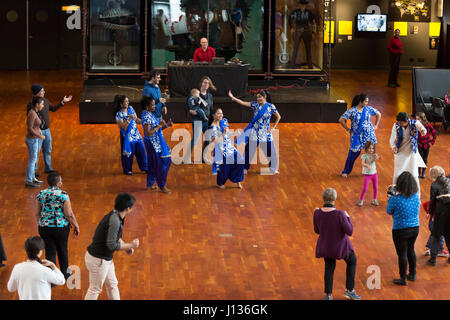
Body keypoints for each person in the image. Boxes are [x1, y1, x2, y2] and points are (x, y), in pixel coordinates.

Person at [84, 193, 140, 300]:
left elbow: (116, 237)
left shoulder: (116, 215)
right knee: (95, 289)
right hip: (99, 260)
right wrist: (131, 245)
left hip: (105, 259)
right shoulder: (115, 220)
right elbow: (111, 245)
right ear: (128, 209)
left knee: (112, 285)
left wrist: (126, 248)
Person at [313, 188, 360, 300]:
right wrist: (348, 217)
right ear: (334, 199)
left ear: (323, 198)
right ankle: (349, 290)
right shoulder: (340, 214)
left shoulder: (317, 213)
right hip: (340, 247)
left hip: (326, 246)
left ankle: (328, 295)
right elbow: (349, 231)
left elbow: (317, 231)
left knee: (329, 268)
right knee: (352, 260)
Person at [36, 171, 80, 279]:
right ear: (57, 183)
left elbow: (37, 213)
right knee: (62, 250)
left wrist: (41, 224)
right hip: (60, 228)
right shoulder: (63, 195)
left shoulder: (41, 194)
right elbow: (68, 214)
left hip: (45, 228)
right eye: (61, 180)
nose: (62, 182)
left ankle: (51, 276)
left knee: (50, 252)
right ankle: (65, 273)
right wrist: (76, 225)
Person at [228, 89, 281, 174]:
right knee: (249, 150)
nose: (258, 99)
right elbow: (242, 102)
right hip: (254, 131)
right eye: (257, 97)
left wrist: (273, 127)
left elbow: (278, 117)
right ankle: (245, 168)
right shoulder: (255, 105)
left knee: (270, 151)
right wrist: (233, 97)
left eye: (259, 97)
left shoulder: (271, 106)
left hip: (265, 133)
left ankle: (273, 169)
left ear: (265, 97)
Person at [27, 84, 72, 175]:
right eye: (42, 90)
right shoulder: (31, 104)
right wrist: (37, 132)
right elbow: (30, 119)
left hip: (47, 130)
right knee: (36, 151)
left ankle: (48, 168)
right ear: (37, 93)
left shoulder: (45, 101)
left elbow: (53, 109)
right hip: (38, 132)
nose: (44, 92)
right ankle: (34, 170)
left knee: (48, 150)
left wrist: (63, 102)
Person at [386, 171, 420, 285]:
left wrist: (390, 197)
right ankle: (413, 274)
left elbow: (388, 211)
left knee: (402, 254)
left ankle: (403, 278)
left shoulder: (395, 199)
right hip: (415, 228)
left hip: (400, 229)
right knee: (411, 249)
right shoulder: (416, 196)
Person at [339, 94, 381, 177]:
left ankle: (368, 170)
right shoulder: (352, 111)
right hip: (357, 136)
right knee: (353, 153)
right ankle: (346, 171)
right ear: (360, 102)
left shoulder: (368, 109)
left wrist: (376, 126)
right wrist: (347, 129)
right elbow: (341, 120)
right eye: (365, 101)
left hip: (369, 134)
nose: (367, 103)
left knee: (369, 153)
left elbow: (378, 114)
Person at [141, 97, 173, 194]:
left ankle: (150, 185)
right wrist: (159, 125)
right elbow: (148, 133)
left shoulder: (150, 114)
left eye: (154, 104)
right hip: (153, 144)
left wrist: (166, 125)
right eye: (152, 104)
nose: (154, 106)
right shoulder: (146, 116)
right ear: (147, 106)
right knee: (162, 163)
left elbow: (156, 130)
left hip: (155, 142)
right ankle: (162, 185)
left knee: (152, 164)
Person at [390, 112, 427, 190]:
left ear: (406, 121)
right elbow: (392, 138)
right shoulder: (396, 125)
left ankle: (416, 193)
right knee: (397, 172)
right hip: (400, 150)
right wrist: (393, 146)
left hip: (411, 151)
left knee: (413, 173)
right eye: (398, 122)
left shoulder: (415, 123)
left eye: (401, 123)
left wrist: (423, 131)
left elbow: (423, 129)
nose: (399, 124)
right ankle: (395, 191)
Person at [209, 108, 245, 189]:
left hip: (230, 147)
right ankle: (220, 183)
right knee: (224, 168)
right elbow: (217, 141)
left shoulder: (224, 121)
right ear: (213, 115)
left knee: (240, 160)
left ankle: (238, 180)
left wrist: (235, 133)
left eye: (221, 113)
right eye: (218, 113)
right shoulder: (213, 127)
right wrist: (223, 133)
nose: (220, 115)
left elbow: (228, 133)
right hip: (221, 150)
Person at [114, 95, 148, 175]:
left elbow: (136, 119)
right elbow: (121, 126)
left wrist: (143, 121)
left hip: (136, 135)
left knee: (141, 151)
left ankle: (145, 168)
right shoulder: (119, 114)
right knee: (128, 154)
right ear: (121, 104)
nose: (128, 102)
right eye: (126, 101)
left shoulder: (131, 108)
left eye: (128, 101)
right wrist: (129, 119)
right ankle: (127, 170)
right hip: (127, 137)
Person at [184, 77, 215, 164]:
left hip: (207, 121)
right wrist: (190, 111)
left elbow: (211, 108)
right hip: (197, 120)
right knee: (196, 139)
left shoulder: (210, 96)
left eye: (208, 83)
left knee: (208, 140)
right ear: (201, 83)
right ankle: (186, 158)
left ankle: (204, 158)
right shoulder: (195, 94)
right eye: (205, 82)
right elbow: (187, 105)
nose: (206, 85)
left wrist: (214, 120)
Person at [427, 166, 450, 266]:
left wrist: (429, 212)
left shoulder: (434, 184)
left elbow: (432, 200)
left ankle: (432, 259)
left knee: (436, 234)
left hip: (441, 210)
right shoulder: (449, 180)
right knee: (449, 234)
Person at [25, 96, 46, 188]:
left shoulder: (35, 112)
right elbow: (30, 128)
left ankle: (33, 178)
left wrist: (39, 131)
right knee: (32, 160)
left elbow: (35, 126)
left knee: (35, 159)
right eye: (42, 104)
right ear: (37, 104)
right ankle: (29, 181)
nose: (43, 106)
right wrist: (39, 135)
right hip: (32, 140)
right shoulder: (32, 113)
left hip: (35, 139)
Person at [289, 0, 316, 69]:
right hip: (298, 30)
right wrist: (292, 28)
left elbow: (313, 22)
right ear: (299, 5)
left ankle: (310, 64)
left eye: (304, 4)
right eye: (301, 4)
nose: (302, 6)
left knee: (308, 48)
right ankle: (292, 64)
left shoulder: (309, 12)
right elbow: (290, 20)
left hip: (306, 30)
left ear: (305, 5)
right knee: (296, 48)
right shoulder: (295, 12)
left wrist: (313, 32)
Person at [358, 141, 380, 206]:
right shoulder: (364, 156)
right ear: (366, 148)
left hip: (374, 174)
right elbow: (362, 163)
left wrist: (378, 158)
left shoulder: (374, 155)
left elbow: (377, 158)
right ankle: (361, 200)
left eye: (372, 148)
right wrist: (366, 165)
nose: (371, 150)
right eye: (370, 148)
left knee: (376, 187)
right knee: (365, 188)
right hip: (367, 175)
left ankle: (374, 199)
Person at [416, 112, 436, 179]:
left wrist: (432, 142)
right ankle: (418, 173)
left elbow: (434, 134)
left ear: (422, 119)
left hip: (426, 145)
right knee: (419, 159)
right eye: (416, 119)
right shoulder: (416, 125)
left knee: (425, 159)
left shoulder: (428, 126)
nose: (417, 120)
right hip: (419, 145)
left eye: (418, 119)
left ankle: (423, 173)